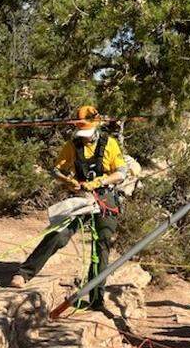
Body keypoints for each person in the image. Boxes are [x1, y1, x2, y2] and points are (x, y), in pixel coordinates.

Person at [10, 106, 127, 309]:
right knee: (59, 234)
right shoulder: (72, 146)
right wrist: (67, 180)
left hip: (105, 197)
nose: (84, 138)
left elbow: (121, 173)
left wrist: (99, 182)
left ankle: (96, 298)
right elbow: (56, 170)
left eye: (87, 133)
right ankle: (24, 273)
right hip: (81, 197)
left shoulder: (110, 144)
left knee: (102, 243)